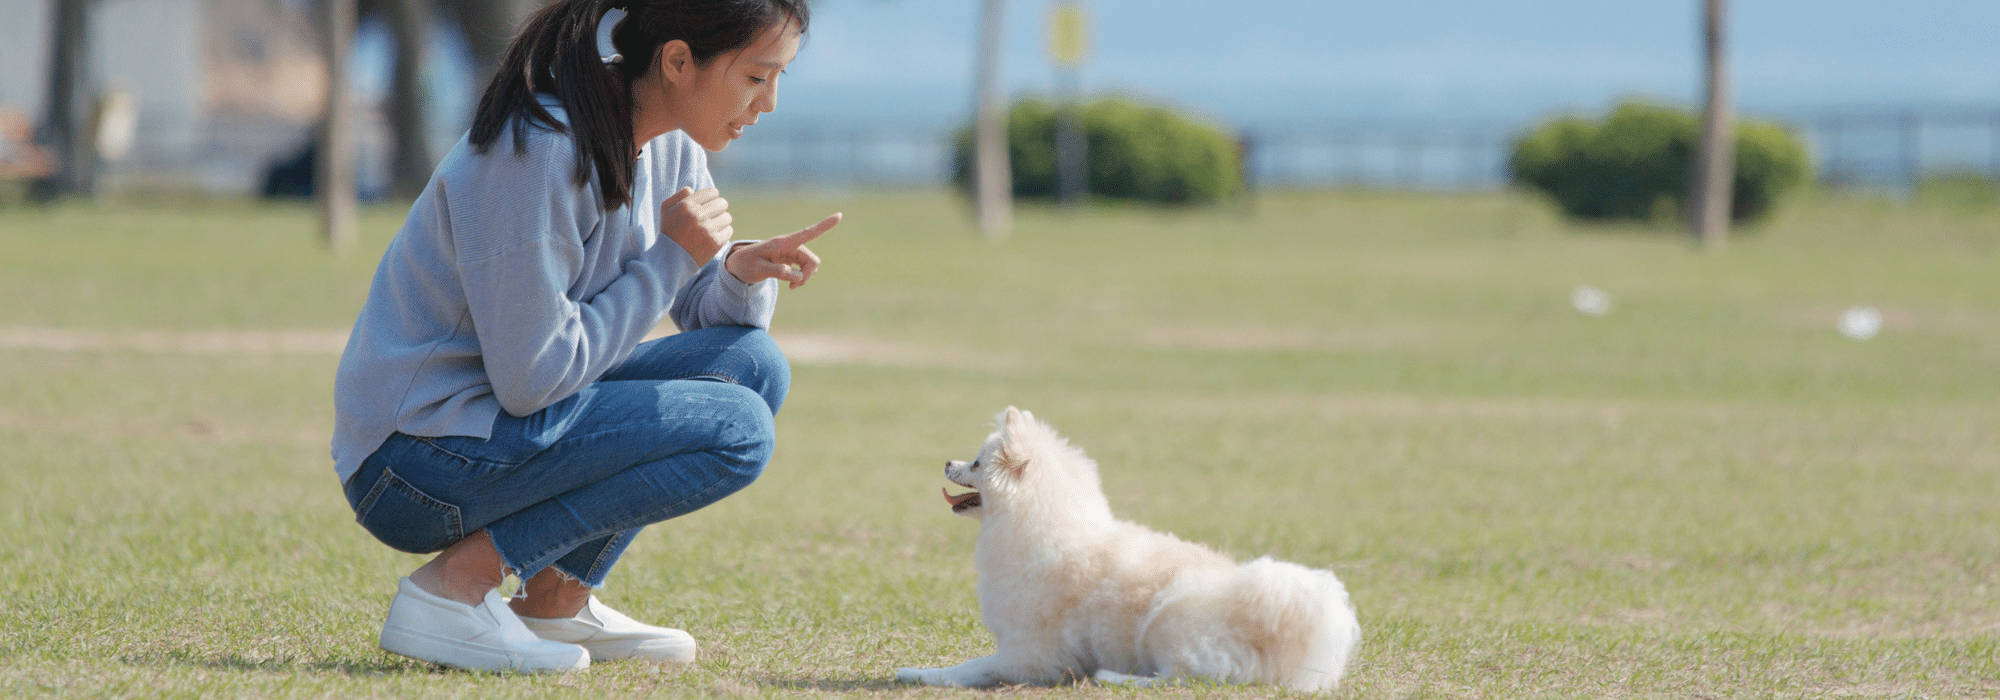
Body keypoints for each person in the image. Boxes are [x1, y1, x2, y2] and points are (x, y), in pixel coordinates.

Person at [331, 0, 830, 673]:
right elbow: (533, 377)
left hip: (496, 427)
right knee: (737, 428)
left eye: (777, 80)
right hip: (413, 462)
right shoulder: (540, 149)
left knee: (754, 366)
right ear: (678, 61)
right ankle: (452, 590)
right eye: (755, 77)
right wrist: (670, 260)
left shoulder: (671, 142)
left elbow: (701, 316)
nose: (767, 103)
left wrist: (737, 273)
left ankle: (554, 601)